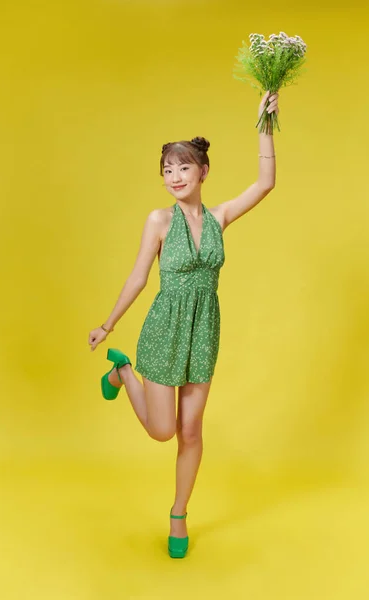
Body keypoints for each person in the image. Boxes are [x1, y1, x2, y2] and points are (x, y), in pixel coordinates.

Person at [88, 90, 279, 558]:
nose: (174, 176)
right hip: (164, 327)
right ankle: (123, 371)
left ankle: (179, 514)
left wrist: (265, 124)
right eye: (167, 170)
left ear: (202, 171)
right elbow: (138, 276)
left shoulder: (219, 217)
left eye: (183, 167)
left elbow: (266, 182)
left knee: (192, 430)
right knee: (162, 431)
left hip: (203, 331)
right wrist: (108, 325)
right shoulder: (158, 220)